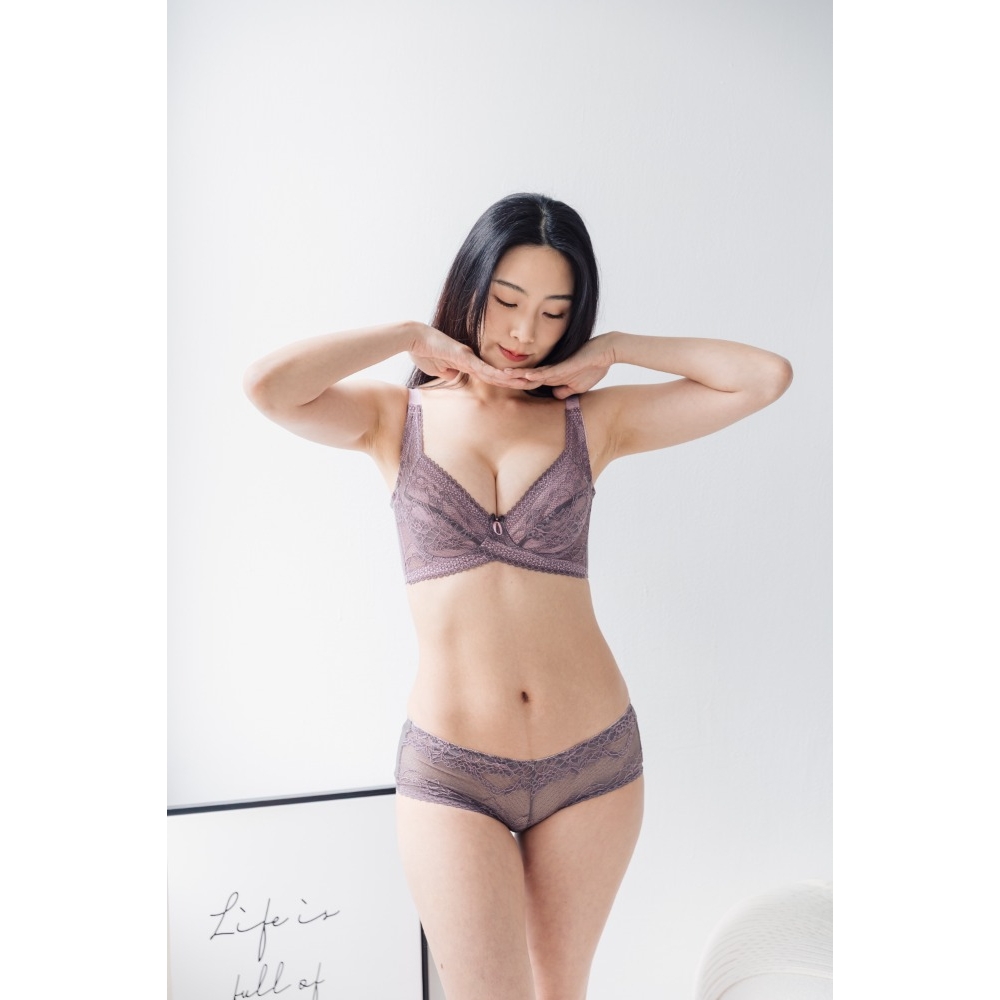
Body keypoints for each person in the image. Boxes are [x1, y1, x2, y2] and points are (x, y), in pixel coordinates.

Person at [243, 193, 792, 1000]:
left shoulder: (591, 422)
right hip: (454, 771)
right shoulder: (394, 418)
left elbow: (764, 379)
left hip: (593, 760)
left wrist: (616, 349)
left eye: (553, 312)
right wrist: (407, 335)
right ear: (470, 285)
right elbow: (268, 387)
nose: (525, 331)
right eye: (506, 300)